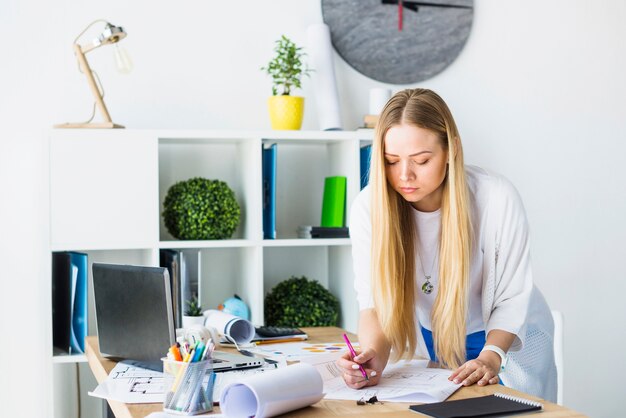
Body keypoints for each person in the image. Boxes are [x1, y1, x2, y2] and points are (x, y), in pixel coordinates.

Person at [337, 88, 557, 401]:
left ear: (451, 150)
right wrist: (372, 355)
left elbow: (511, 298)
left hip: (510, 339)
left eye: (421, 160)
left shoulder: (496, 198)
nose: (405, 175)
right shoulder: (368, 208)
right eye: (391, 161)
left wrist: (490, 356)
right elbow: (374, 302)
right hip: (439, 336)